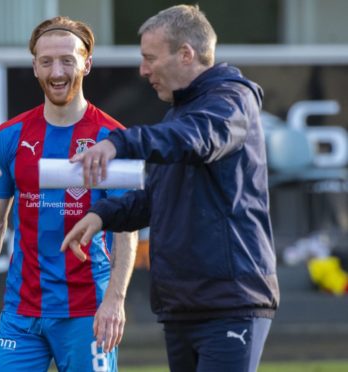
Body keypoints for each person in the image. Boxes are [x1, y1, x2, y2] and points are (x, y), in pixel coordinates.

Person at [62, 5, 279, 372]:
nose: (143, 70)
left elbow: (197, 140)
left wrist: (121, 143)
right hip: (182, 305)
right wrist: (102, 214)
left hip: (229, 302)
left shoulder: (231, 101)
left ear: (186, 54)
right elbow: (158, 197)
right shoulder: (179, 113)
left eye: (149, 58)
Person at [0, 16, 137, 372]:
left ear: (87, 64)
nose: (56, 72)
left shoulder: (113, 137)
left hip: (87, 310)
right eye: (46, 62)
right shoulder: (8, 136)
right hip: (21, 310)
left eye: (67, 60)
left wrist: (115, 300)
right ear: (34, 67)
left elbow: (127, 228)